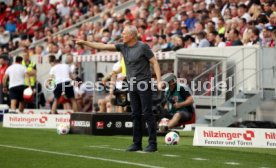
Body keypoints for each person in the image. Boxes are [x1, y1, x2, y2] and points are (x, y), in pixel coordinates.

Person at [76, 25, 162, 152]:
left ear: (132, 35)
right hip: (131, 85)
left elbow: (154, 62)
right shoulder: (123, 46)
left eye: (124, 33)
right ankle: (136, 143)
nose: (122, 35)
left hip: (144, 84)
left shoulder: (143, 47)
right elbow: (102, 46)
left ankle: (152, 144)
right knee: (135, 114)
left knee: (147, 113)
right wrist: (85, 43)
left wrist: (159, 81)